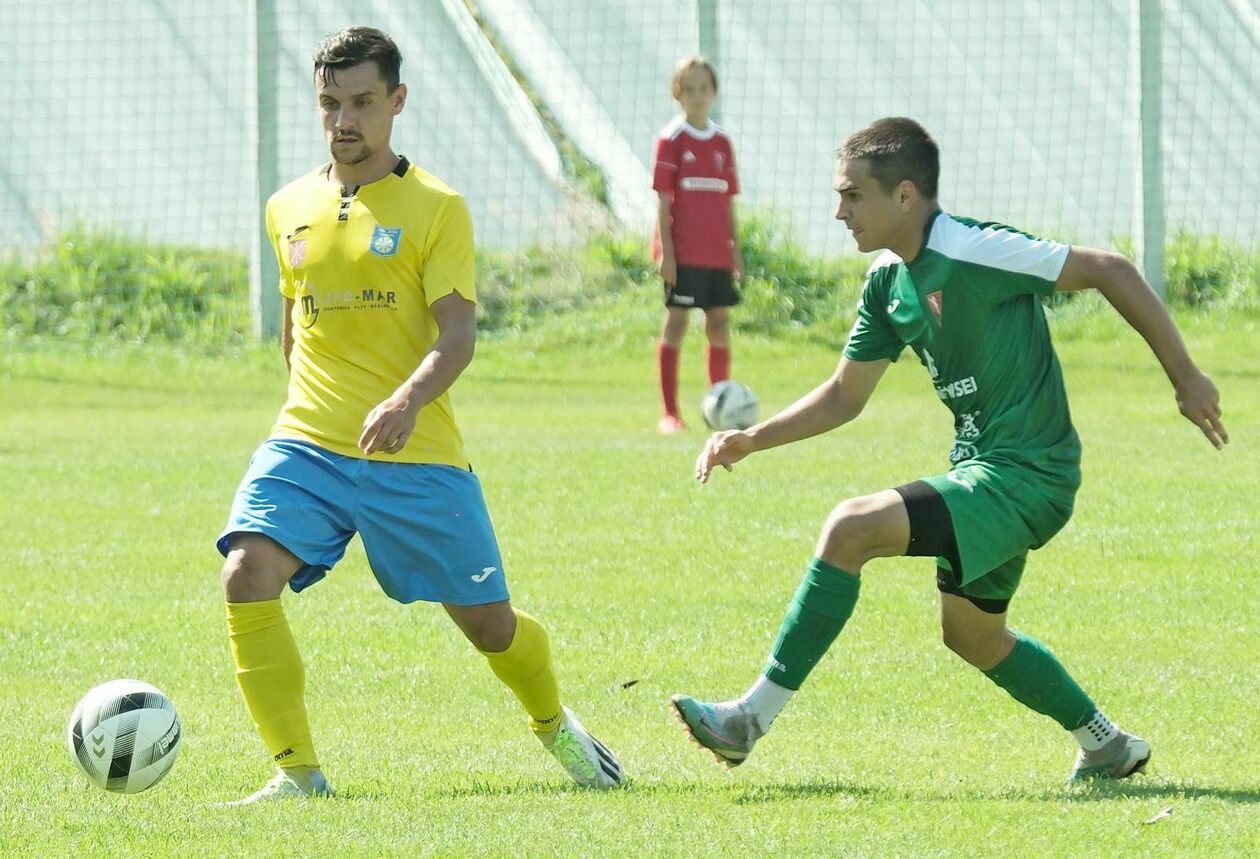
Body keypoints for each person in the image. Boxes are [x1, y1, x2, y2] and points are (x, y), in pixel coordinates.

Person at [671, 117, 1227, 781]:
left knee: (850, 528)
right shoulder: (887, 285)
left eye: (852, 195)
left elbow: (1108, 268)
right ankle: (1107, 743)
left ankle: (747, 720)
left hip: (1029, 473)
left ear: (904, 196)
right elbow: (846, 395)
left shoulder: (974, 250)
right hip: (984, 474)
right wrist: (753, 439)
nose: (838, 210)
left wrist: (1185, 376)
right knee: (971, 634)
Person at [216, 27, 623, 804]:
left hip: (417, 451)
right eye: (332, 103)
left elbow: (458, 333)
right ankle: (298, 773)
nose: (345, 119)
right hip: (307, 442)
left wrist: (406, 399)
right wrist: (303, 414)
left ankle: (554, 724)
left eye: (364, 102)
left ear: (397, 102)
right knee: (246, 573)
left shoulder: (437, 207)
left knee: (490, 627)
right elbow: (293, 329)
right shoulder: (286, 207)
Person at [651, 56, 744, 434]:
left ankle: (719, 407)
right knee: (676, 323)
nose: (697, 95)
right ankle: (670, 413)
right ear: (678, 93)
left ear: (714, 92)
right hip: (684, 254)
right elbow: (663, 202)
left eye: (703, 88)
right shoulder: (671, 139)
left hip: (717, 253)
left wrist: (736, 250)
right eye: (688, 89)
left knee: (719, 324)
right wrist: (666, 254)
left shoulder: (722, 143)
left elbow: (729, 203)